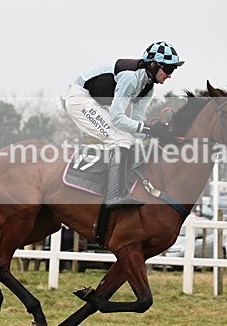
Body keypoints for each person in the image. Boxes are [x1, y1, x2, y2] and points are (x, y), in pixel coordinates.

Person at [65, 41, 184, 210]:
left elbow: (136, 126)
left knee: (130, 140)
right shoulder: (130, 77)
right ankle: (114, 195)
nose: (170, 75)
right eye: (169, 69)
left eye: (173, 70)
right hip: (80, 100)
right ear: (153, 65)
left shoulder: (148, 87)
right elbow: (117, 119)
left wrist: (159, 132)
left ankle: (121, 185)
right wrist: (148, 129)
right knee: (120, 139)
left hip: (97, 103)